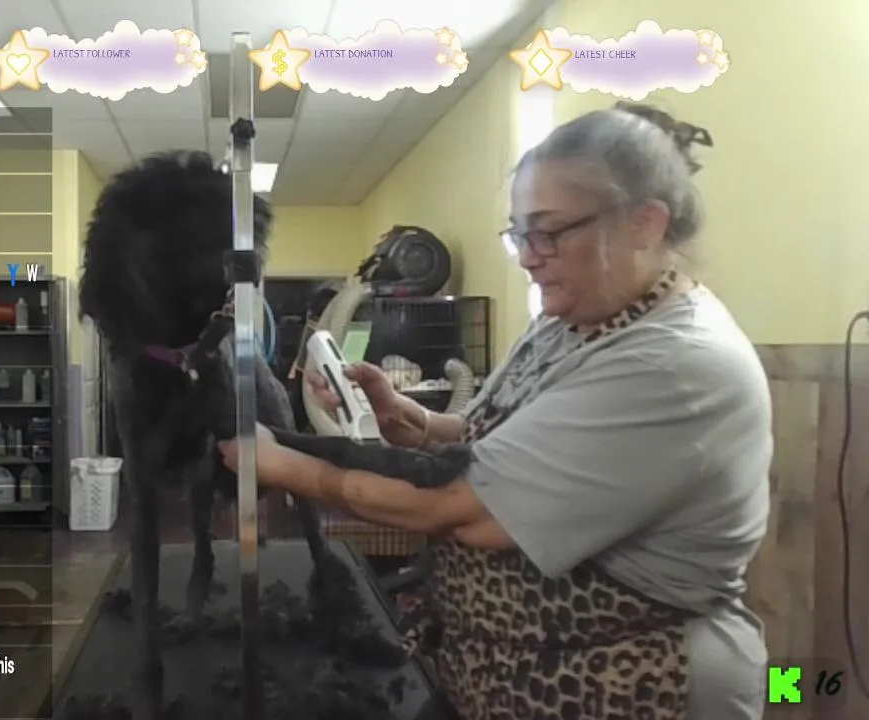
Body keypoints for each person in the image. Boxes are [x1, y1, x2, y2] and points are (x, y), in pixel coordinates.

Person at [220, 103, 771, 720]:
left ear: (644, 223)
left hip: (631, 683)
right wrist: (411, 422)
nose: (529, 257)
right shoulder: (569, 321)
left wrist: (277, 465)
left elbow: (460, 508)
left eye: (549, 233)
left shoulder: (672, 366)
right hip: (507, 675)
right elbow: (488, 441)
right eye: (519, 235)